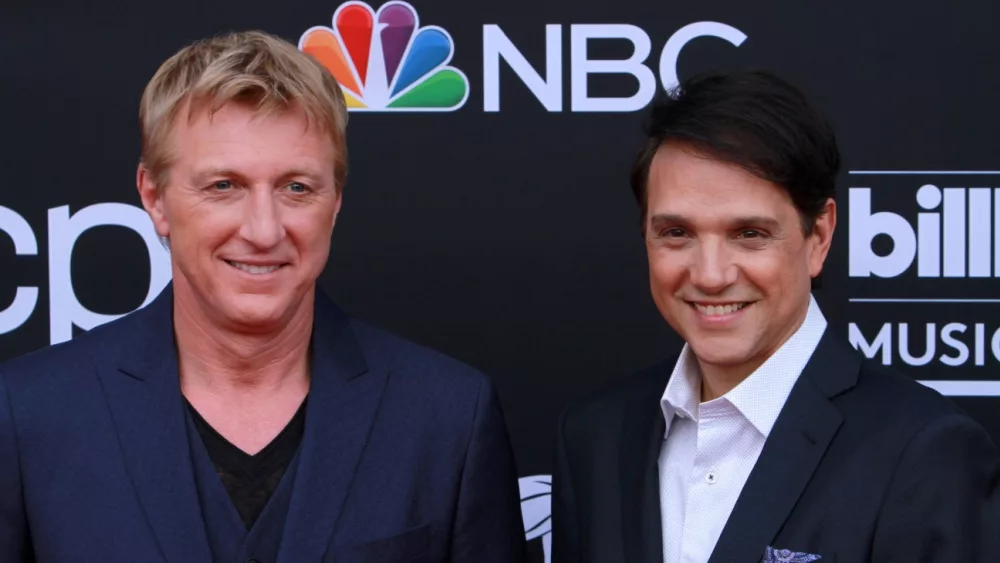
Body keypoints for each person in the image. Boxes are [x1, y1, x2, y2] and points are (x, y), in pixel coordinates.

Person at [0, 31, 526, 563]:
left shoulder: (448, 417)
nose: (263, 230)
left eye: (296, 187)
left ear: (336, 201)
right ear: (155, 198)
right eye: (223, 186)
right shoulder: (29, 414)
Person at [551, 70, 1000, 563]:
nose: (711, 274)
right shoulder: (597, 436)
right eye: (677, 232)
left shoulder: (925, 451)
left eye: (749, 234)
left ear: (819, 237)